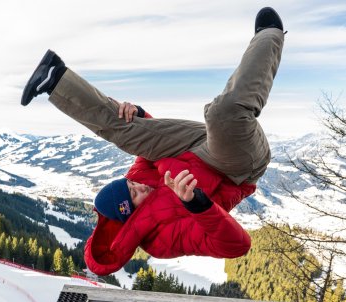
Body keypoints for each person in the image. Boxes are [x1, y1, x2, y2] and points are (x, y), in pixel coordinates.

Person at [21, 7, 285, 276]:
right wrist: (196, 203)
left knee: (125, 131)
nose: (139, 187)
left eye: (131, 185)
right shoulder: (160, 240)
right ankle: (269, 38)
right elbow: (236, 245)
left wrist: (137, 113)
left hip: (193, 146)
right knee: (222, 112)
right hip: (232, 167)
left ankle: (54, 79)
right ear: (130, 215)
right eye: (135, 195)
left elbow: (150, 138)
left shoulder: (138, 176)